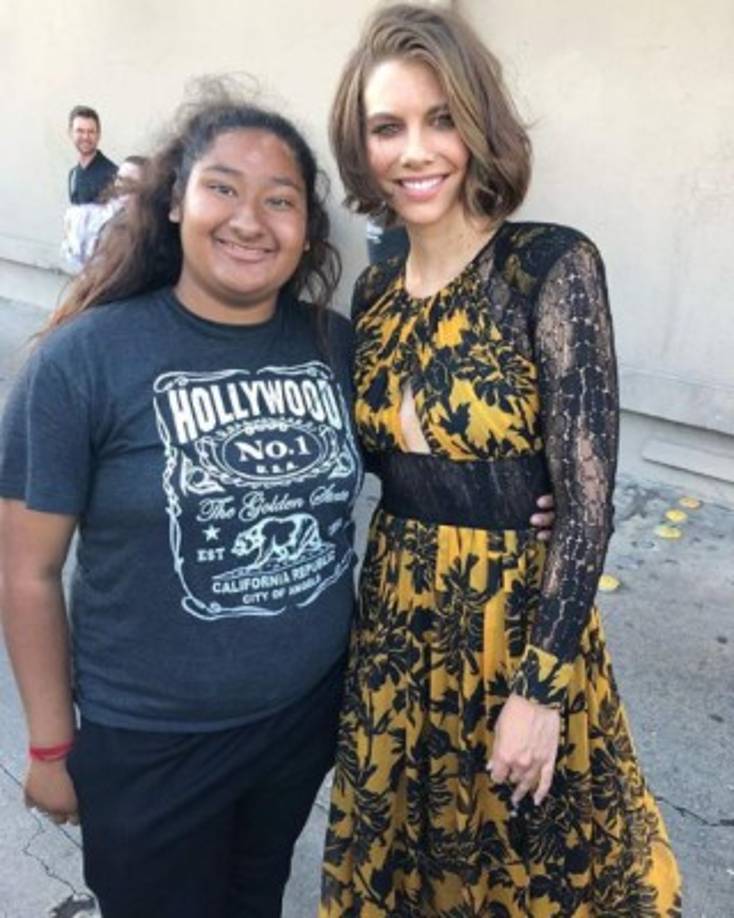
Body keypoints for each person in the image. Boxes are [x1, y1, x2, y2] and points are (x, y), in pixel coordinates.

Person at [1, 86, 553, 917]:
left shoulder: (334, 347)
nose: (250, 220)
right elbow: (28, 572)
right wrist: (49, 744)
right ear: (176, 198)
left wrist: (522, 497)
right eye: (223, 187)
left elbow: (413, 466)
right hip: (152, 743)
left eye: (281, 200)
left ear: (307, 230)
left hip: (301, 722)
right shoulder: (83, 361)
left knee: (255, 898)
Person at [320, 4, 681, 916]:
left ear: (479, 125)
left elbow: (589, 501)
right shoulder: (372, 294)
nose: (416, 150)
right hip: (395, 635)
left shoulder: (547, 267)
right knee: (405, 877)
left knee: (526, 881)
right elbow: (373, 470)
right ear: (360, 147)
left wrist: (541, 693)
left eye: (441, 119)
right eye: (388, 126)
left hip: (516, 636)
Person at [61, 155, 149, 272]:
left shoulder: (151, 229)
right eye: (119, 179)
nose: (121, 186)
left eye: (130, 182)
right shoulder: (100, 214)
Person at [67, 105, 118, 205]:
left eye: (91, 131)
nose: (86, 137)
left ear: (99, 135)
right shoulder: (73, 174)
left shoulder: (112, 175)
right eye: (80, 131)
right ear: (70, 133)